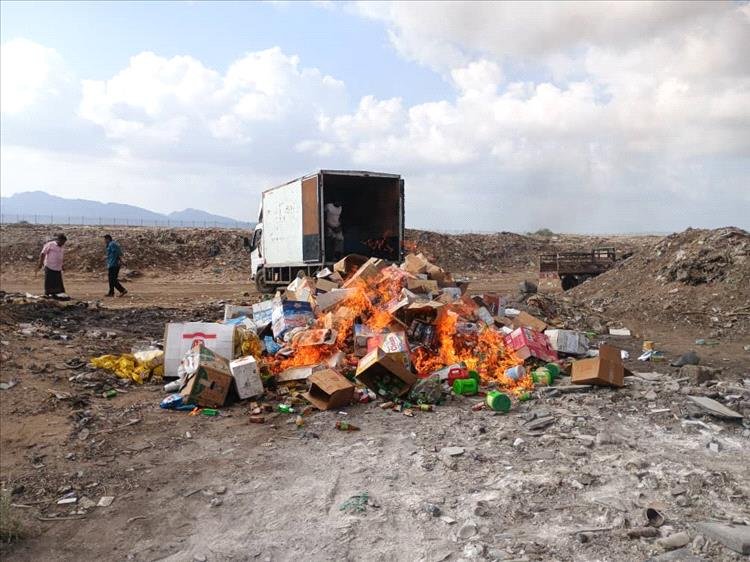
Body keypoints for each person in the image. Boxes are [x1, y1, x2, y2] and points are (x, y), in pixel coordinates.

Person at [38, 233, 67, 298]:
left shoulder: (62, 246)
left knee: (57, 282)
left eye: (64, 242)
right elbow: (43, 253)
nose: (63, 243)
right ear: (58, 240)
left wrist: (62, 266)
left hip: (58, 267)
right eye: (62, 242)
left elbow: (60, 256)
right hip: (49, 266)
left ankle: (56, 294)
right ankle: (48, 294)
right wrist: (40, 263)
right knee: (49, 281)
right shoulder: (50, 244)